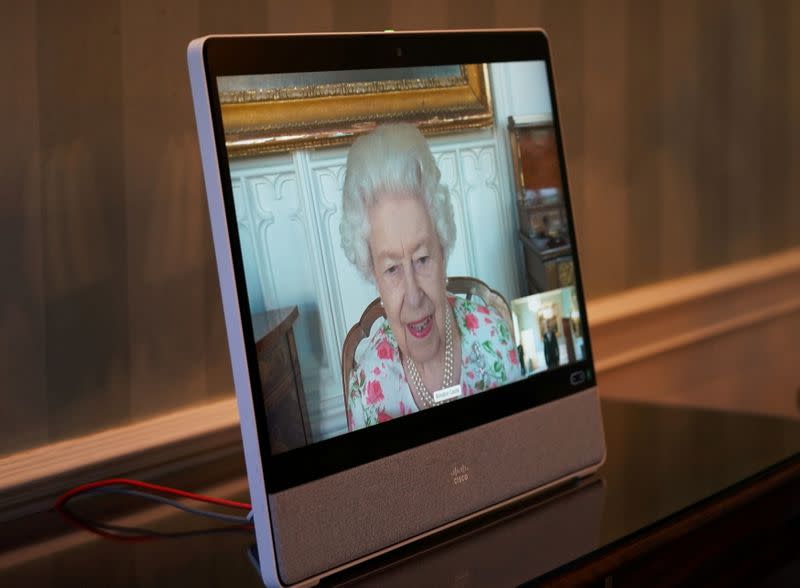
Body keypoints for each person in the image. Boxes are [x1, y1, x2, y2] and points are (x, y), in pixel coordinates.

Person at [339, 124, 522, 431]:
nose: (413, 295)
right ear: (374, 275)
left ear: (443, 252)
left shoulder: (493, 339)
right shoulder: (369, 392)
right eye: (392, 269)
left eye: (422, 259)